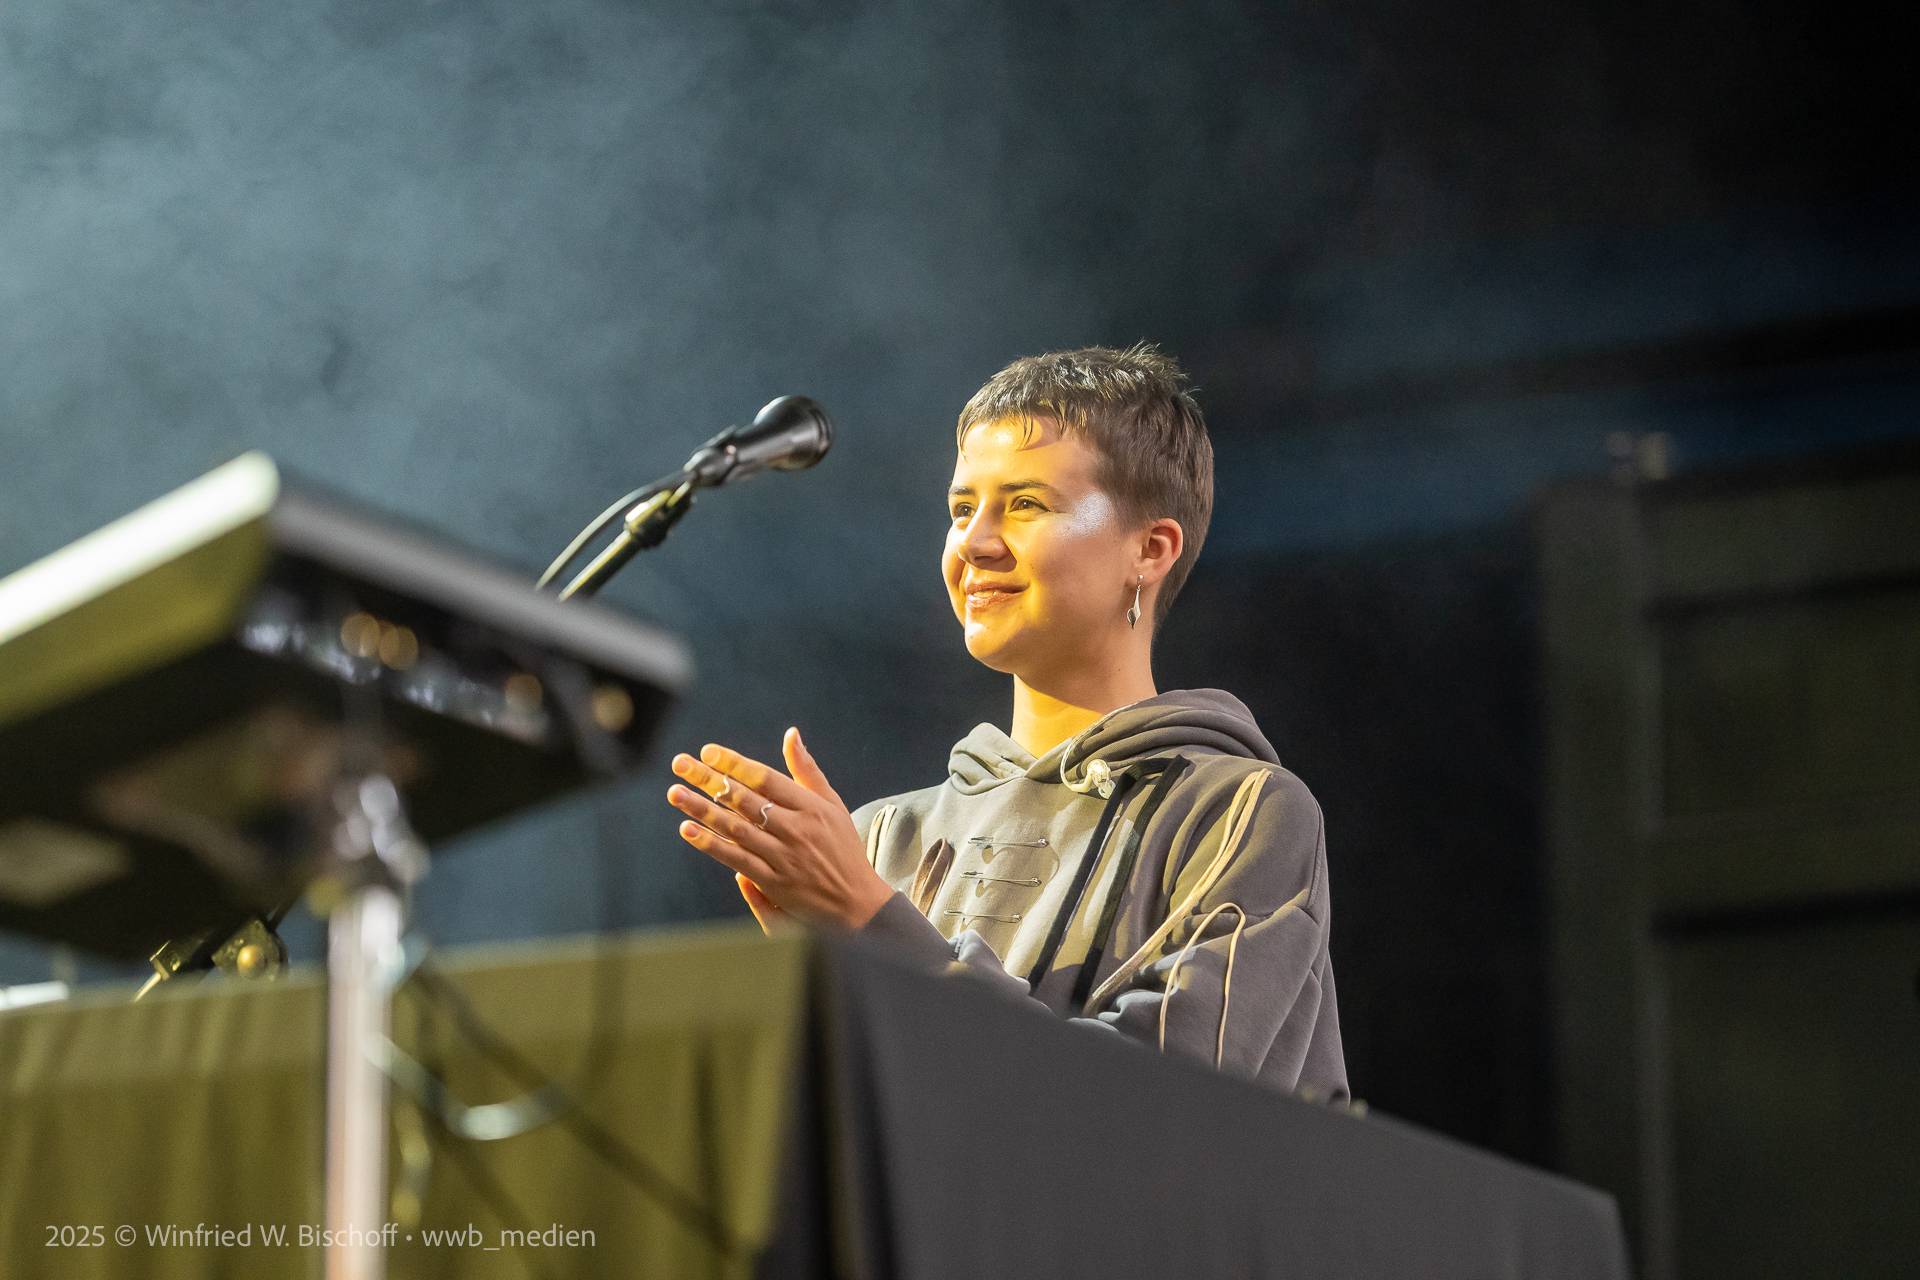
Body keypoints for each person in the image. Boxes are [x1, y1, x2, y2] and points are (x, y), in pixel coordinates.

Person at [665, 344, 1347, 1100]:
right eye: (962, 509)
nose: (975, 542)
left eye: (1025, 505)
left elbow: (1159, 1106)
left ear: (1149, 551)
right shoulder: (881, 836)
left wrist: (870, 918)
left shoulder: (1242, 812)